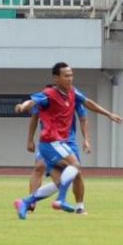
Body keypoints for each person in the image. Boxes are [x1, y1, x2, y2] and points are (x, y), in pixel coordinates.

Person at [13, 62, 123, 220]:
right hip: (51, 141)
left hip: (62, 142)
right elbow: (32, 102)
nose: (70, 78)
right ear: (56, 78)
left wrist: (109, 114)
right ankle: (61, 200)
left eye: (71, 75)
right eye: (66, 76)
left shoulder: (73, 93)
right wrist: (22, 107)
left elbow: (88, 103)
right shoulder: (49, 93)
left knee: (60, 182)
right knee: (74, 166)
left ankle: (25, 202)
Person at [25, 85, 90, 214]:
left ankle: (79, 206)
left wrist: (86, 139)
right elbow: (34, 117)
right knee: (39, 166)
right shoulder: (44, 100)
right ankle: (30, 203)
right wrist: (30, 139)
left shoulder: (73, 98)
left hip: (68, 141)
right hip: (49, 141)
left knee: (76, 172)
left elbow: (83, 117)